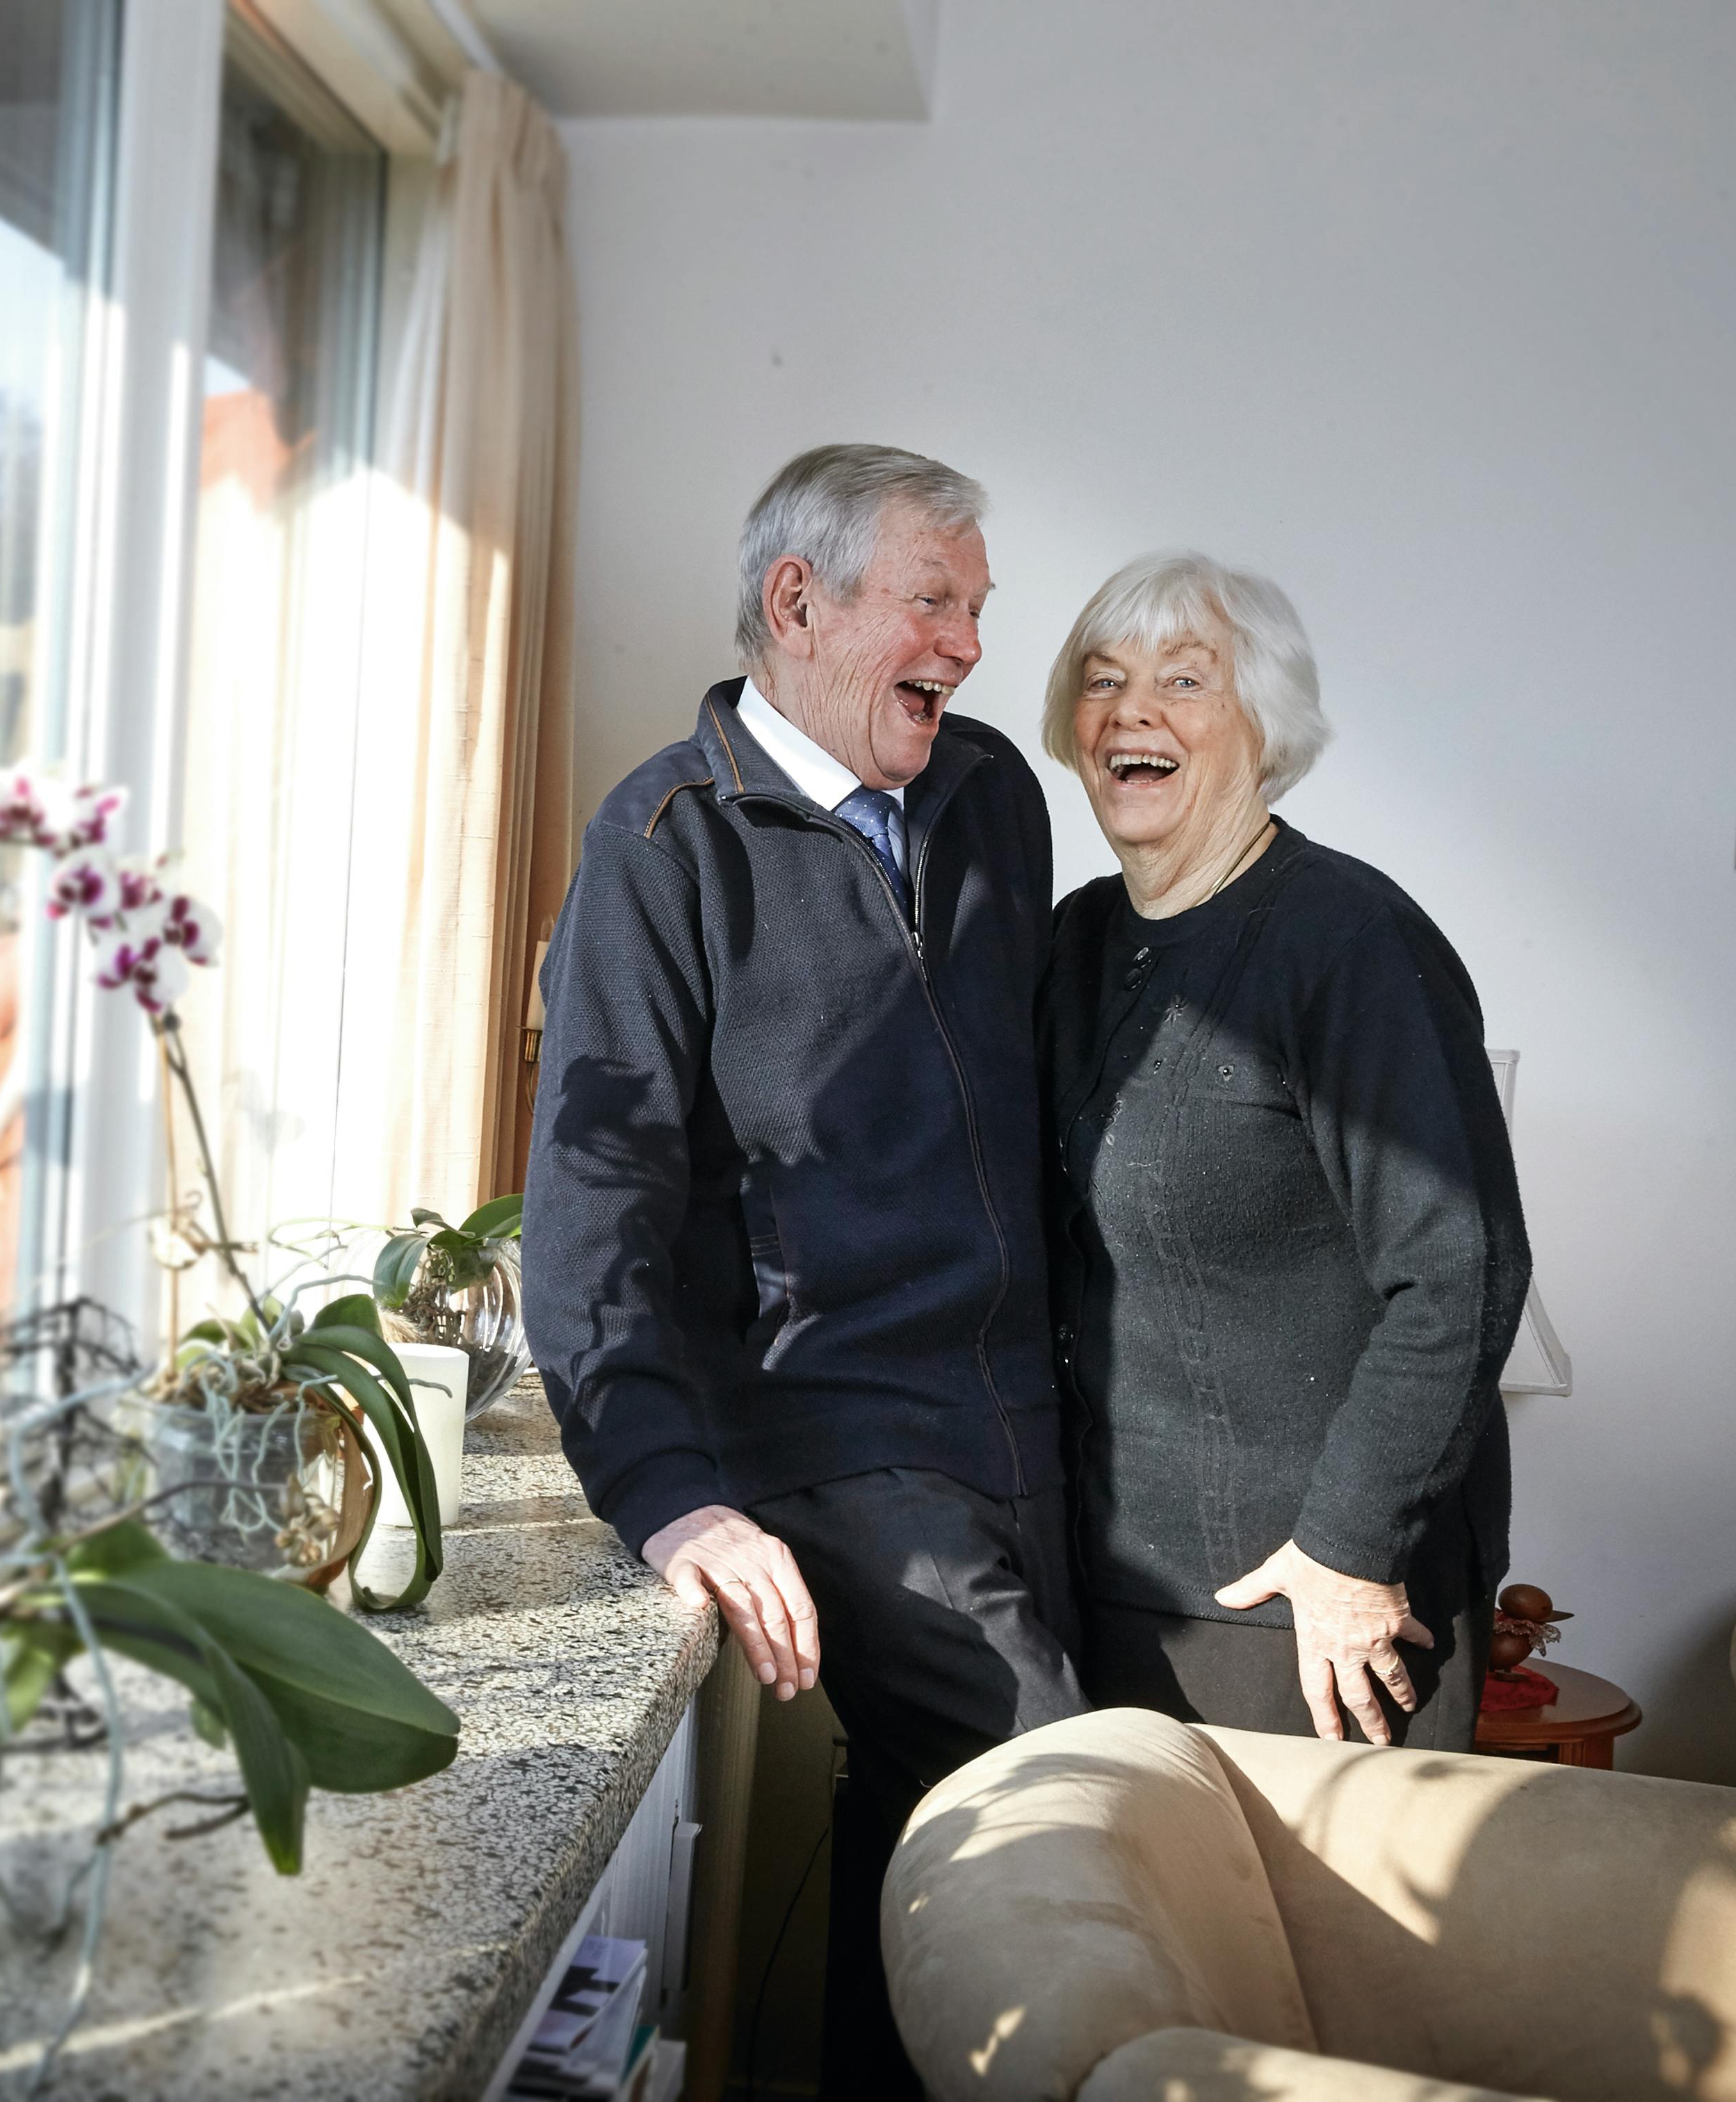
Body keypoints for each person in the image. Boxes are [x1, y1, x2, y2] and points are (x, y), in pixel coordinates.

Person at [524, 443, 1082, 2098]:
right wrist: (666, 1491)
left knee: (937, 1846)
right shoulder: (664, 846)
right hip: (827, 1427)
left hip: (1023, 1411)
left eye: (978, 609)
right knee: (1042, 1796)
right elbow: (594, 1199)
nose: (971, 645)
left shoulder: (992, 794)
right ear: (798, 603)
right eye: (934, 602)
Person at [1039, 551, 1528, 1752]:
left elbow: (1460, 1269)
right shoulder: (1074, 942)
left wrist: (1351, 1552)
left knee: (1319, 1938)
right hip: (1117, 1574)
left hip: (1315, 1602)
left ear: (1266, 725)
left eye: (1184, 679)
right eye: (1102, 680)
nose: (1131, 710)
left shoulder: (1350, 941)